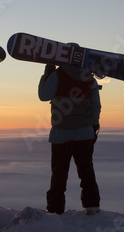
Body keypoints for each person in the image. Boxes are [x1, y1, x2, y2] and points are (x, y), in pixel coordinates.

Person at [38, 62, 101, 215]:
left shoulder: (57, 75)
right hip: (84, 133)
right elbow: (96, 106)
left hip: (61, 134)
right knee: (86, 171)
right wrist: (93, 126)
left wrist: (46, 75)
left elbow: (43, 96)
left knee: (59, 173)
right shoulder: (90, 78)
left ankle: (55, 208)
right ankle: (92, 205)